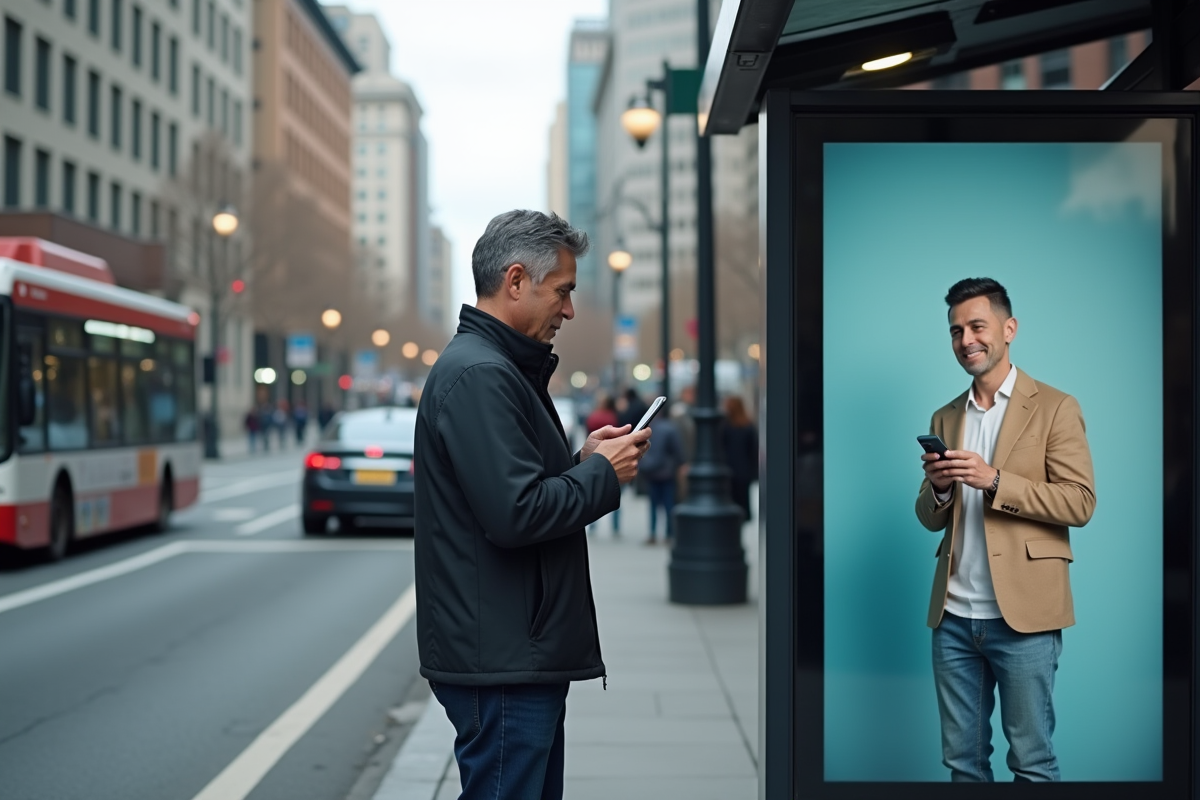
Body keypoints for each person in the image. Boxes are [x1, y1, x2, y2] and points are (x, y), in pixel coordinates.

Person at [413, 210, 651, 800]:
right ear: (516, 280)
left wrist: (582, 462)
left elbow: (512, 491)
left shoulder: (495, 368)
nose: (569, 311)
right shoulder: (482, 374)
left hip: (512, 649)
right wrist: (601, 474)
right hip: (503, 658)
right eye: (562, 291)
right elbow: (517, 513)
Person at [915, 278, 1096, 782]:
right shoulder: (945, 416)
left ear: (1009, 328)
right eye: (956, 331)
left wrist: (995, 481)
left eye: (977, 326)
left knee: (1032, 762)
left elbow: (1080, 502)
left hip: (1025, 620)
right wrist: (941, 489)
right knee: (963, 764)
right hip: (953, 617)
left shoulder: (1056, 407)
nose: (966, 340)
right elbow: (929, 517)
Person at [637, 413, 684, 543]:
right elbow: (677, 450)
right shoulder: (671, 428)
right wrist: (681, 463)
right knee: (669, 504)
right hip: (667, 472)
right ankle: (669, 534)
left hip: (651, 471)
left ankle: (652, 534)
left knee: (653, 505)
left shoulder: (650, 429)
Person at [720, 396, 758, 523]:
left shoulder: (725, 426)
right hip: (743, 470)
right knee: (742, 501)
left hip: (729, 468)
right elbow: (753, 451)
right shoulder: (748, 425)